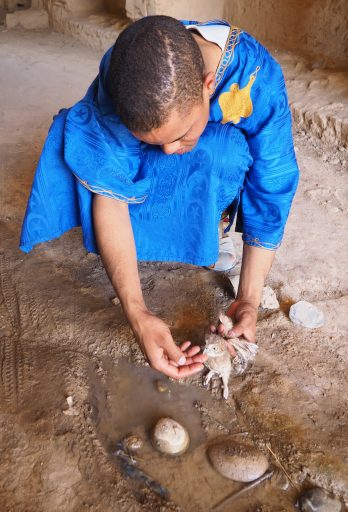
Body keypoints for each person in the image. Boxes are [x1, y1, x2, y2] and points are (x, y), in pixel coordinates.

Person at [20, 16, 299, 380]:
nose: (169, 151)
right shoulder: (122, 74)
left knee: (222, 151)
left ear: (208, 86)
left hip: (210, 164)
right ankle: (141, 236)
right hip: (131, 171)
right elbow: (110, 185)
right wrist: (138, 314)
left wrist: (248, 297)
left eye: (181, 133)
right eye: (157, 141)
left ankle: (208, 229)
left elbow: (272, 185)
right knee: (87, 140)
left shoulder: (256, 77)